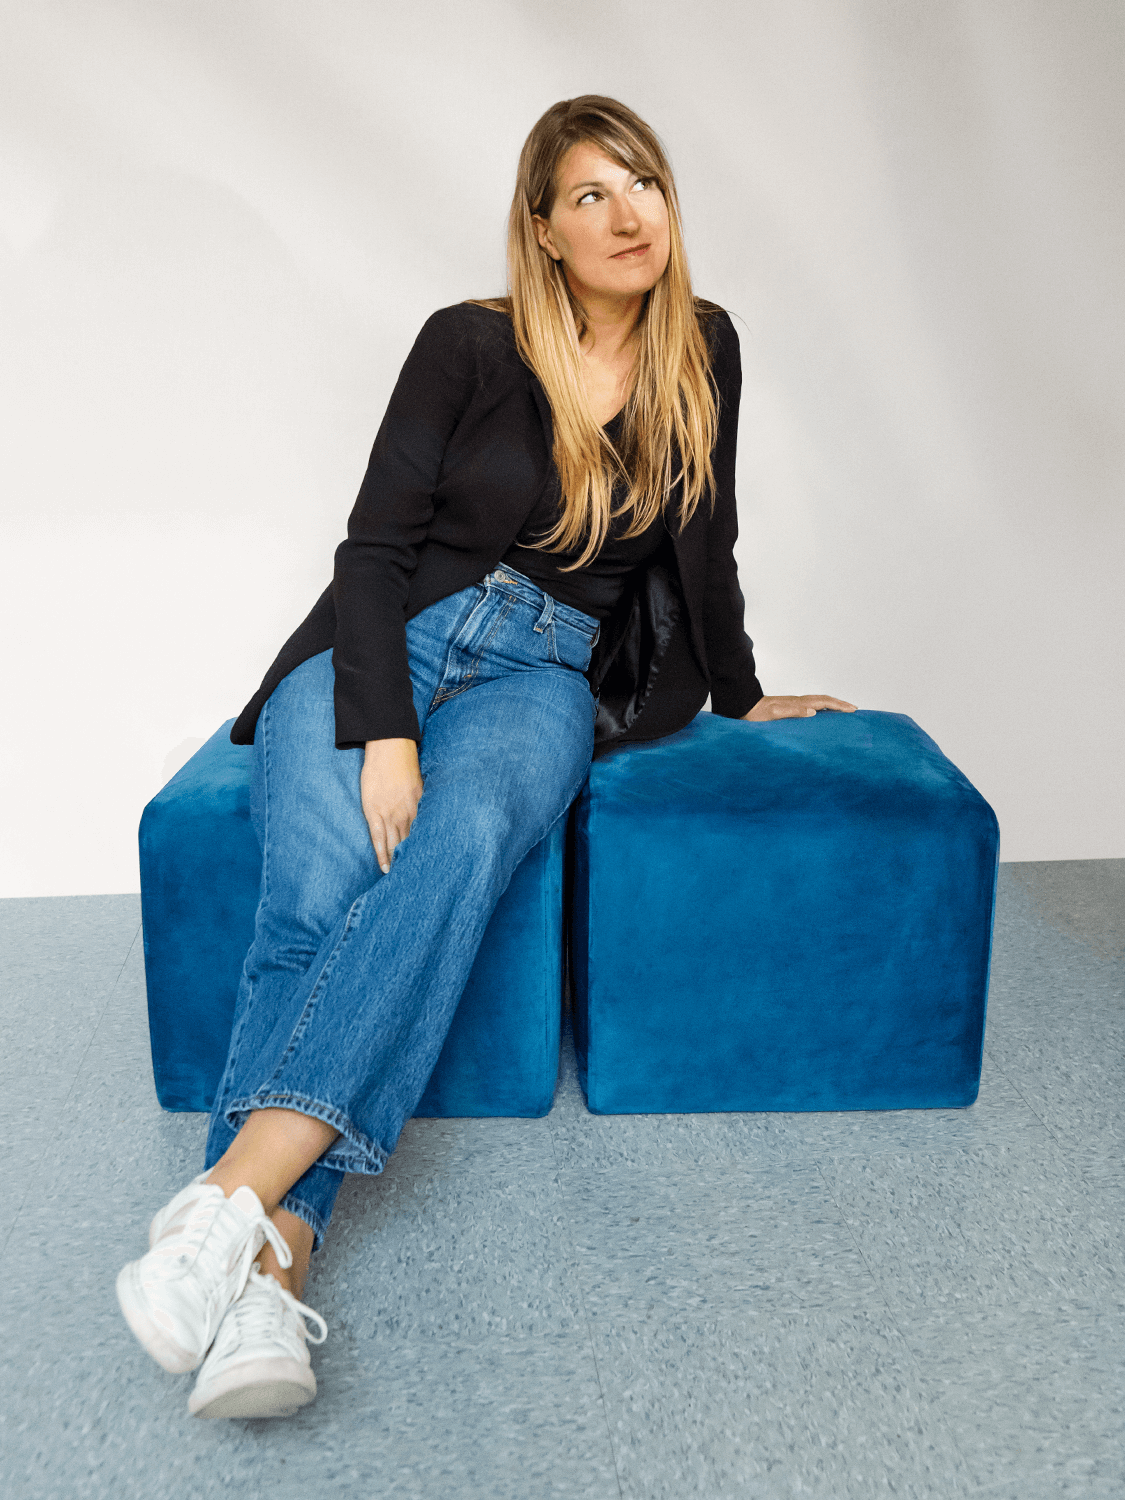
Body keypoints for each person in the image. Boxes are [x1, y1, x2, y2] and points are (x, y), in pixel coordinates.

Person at [116, 95, 856, 1420]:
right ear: (544, 228)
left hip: (541, 676)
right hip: (387, 643)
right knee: (311, 898)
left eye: (644, 185)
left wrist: (741, 695)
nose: (627, 215)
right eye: (590, 195)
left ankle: (221, 1205)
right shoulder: (469, 342)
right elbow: (373, 547)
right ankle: (270, 1275)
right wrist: (385, 729)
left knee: (456, 848)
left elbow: (713, 536)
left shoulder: (706, 350)